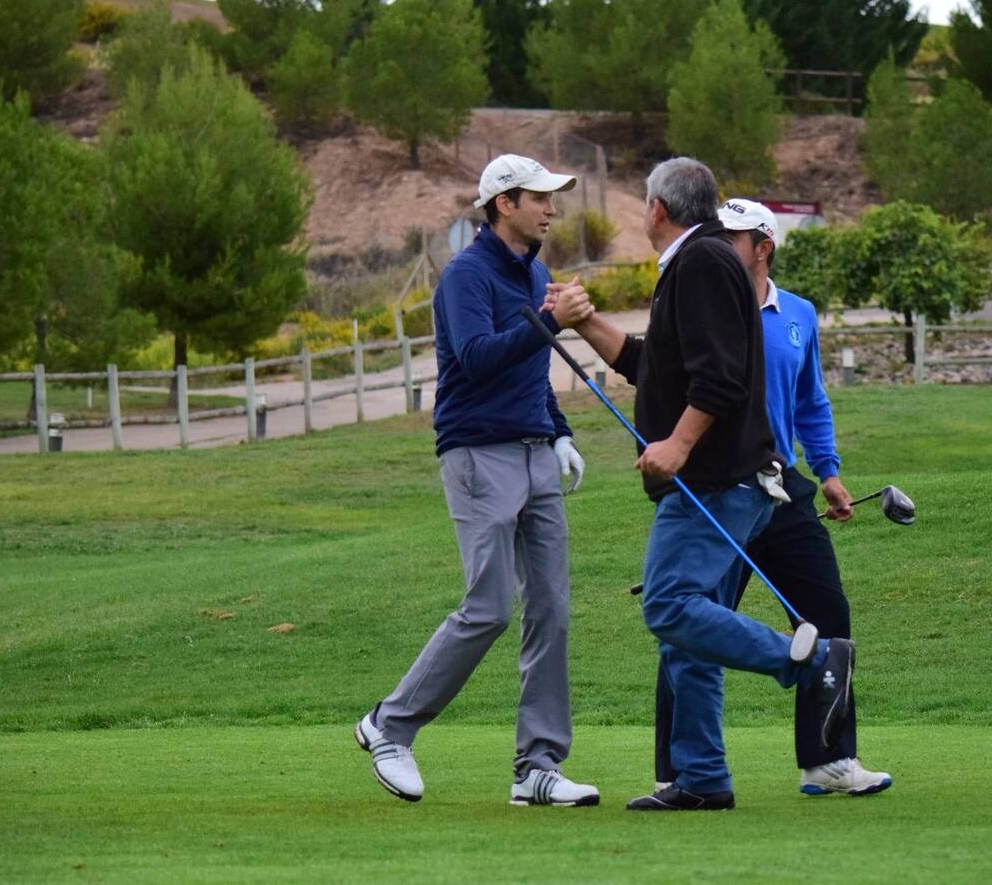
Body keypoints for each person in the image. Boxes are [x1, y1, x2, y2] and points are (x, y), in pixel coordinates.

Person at [547, 157, 855, 811]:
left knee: (668, 604)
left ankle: (805, 660)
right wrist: (581, 321)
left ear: (658, 210)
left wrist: (676, 446)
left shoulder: (701, 265)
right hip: (722, 478)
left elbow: (719, 380)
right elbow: (650, 365)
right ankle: (701, 778)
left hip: (716, 480)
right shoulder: (702, 265)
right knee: (688, 630)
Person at [354, 154, 598, 808]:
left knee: (552, 609)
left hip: (535, 451)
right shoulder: (465, 276)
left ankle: (537, 767)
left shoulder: (537, 270)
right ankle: (390, 725)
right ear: (503, 205)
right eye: (539, 198)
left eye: (552, 198)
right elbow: (479, 359)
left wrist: (561, 428)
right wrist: (554, 322)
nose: (551, 208)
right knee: (489, 607)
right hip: (476, 455)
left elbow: (532, 368)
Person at [652, 199, 892, 797]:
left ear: (764, 247)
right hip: (724, 485)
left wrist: (829, 470)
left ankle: (829, 763)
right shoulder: (707, 305)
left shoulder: (799, 315)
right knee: (689, 623)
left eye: (732, 238)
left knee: (827, 615)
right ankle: (679, 770)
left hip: (782, 486)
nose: (718, 245)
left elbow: (811, 400)